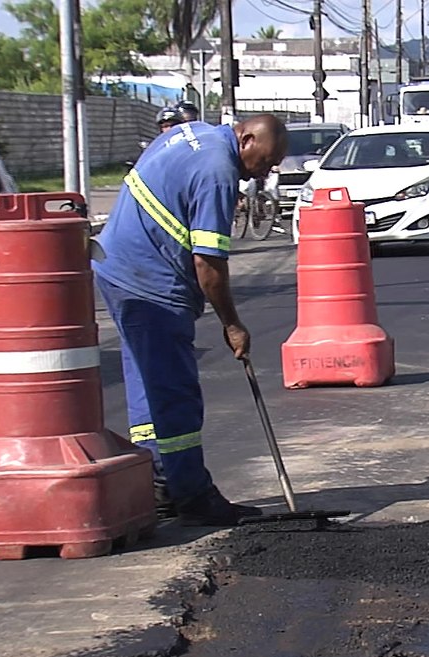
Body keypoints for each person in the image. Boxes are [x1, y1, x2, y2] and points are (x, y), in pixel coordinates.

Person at [93, 115, 290, 526]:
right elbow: (208, 264)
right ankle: (192, 495)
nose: (264, 173)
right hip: (150, 284)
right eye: (266, 162)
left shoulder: (194, 132)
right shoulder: (218, 172)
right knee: (174, 393)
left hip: (117, 269)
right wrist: (232, 324)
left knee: (148, 388)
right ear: (246, 139)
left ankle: (159, 483)